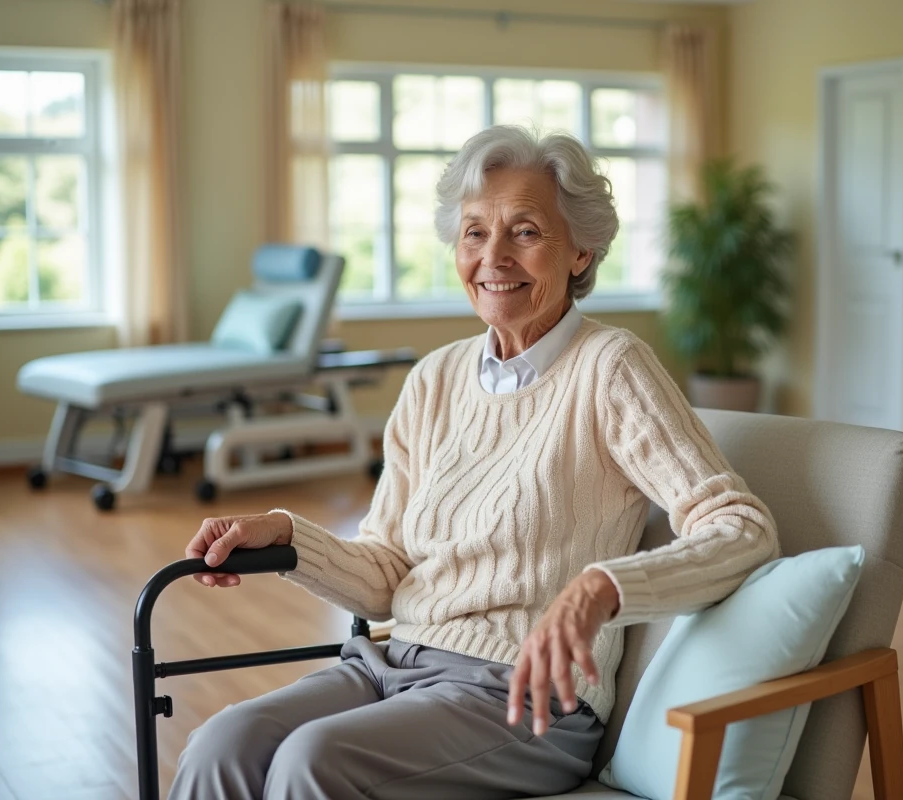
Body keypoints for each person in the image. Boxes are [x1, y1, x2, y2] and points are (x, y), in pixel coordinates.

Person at [170, 125, 779, 800]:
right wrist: (284, 534)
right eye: (473, 232)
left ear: (582, 251)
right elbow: (385, 574)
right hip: (388, 661)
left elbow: (741, 529)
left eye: (525, 231)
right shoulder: (434, 379)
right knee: (220, 747)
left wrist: (601, 588)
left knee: (314, 761)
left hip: (524, 697)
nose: (494, 257)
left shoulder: (612, 369)